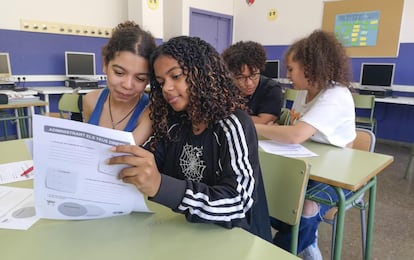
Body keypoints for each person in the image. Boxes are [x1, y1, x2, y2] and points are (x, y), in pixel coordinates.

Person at [107, 36, 272, 242]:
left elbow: (238, 204)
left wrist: (161, 187)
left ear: (202, 73)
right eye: (160, 82)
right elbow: (150, 162)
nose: (166, 88)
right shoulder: (174, 122)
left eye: (175, 76)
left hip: (236, 241)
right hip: (185, 235)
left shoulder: (233, 124)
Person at [255, 30, 356, 259]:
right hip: (311, 163)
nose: (287, 74)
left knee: (305, 208)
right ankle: (307, 243)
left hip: (339, 175)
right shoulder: (304, 93)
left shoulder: (335, 94)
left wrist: (251, 127)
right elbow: (295, 128)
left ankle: (271, 253)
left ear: (309, 67)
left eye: (291, 69)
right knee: (266, 194)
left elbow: (295, 135)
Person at [82, 21, 155, 144]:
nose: (127, 85)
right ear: (105, 64)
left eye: (140, 78)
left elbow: (123, 155)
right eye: (119, 73)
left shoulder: (150, 113)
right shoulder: (90, 101)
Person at [222, 41, 283, 124]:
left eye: (254, 75)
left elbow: (263, 121)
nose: (249, 83)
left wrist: (225, 117)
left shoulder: (271, 89)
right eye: (240, 77)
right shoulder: (223, 88)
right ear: (231, 75)